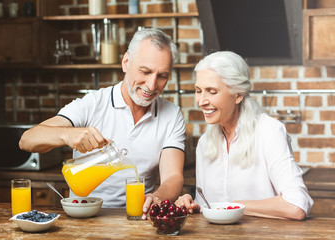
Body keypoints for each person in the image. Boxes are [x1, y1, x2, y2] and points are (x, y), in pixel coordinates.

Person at [19, 28, 186, 219]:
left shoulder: (171, 115)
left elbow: (173, 177)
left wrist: (155, 198)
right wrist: (68, 134)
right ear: (126, 62)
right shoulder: (93, 104)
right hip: (86, 219)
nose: (151, 85)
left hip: (137, 218)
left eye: (162, 76)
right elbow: (27, 140)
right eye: (145, 71)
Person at [175, 51, 313, 220]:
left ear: (238, 95)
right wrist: (194, 205)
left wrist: (233, 207)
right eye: (198, 90)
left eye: (212, 91)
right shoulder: (205, 143)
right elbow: (209, 206)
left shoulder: (269, 132)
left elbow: (296, 205)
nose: (201, 101)